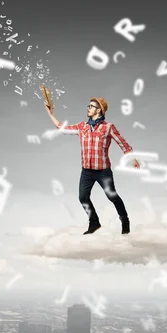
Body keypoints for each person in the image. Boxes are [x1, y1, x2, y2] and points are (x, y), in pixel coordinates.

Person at [45, 97, 140, 235]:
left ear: (99, 110)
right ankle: (94, 222)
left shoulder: (108, 127)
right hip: (86, 172)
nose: (88, 108)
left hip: (103, 172)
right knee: (83, 197)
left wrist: (132, 158)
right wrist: (50, 114)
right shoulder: (82, 127)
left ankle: (125, 220)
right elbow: (63, 129)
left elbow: (122, 142)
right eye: (88, 105)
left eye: (91, 106)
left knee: (112, 196)